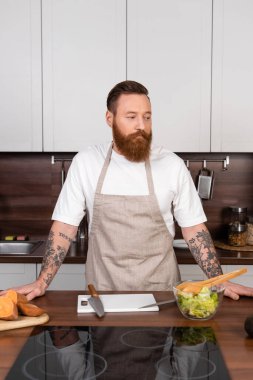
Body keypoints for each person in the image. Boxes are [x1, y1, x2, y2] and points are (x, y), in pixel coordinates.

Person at [5, 80, 253, 301]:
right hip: (102, 294)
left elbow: (194, 230)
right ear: (109, 119)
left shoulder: (171, 165)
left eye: (147, 116)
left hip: (162, 296)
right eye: (131, 116)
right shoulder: (87, 162)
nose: (141, 125)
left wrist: (218, 281)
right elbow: (64, 228)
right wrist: (41, 282)